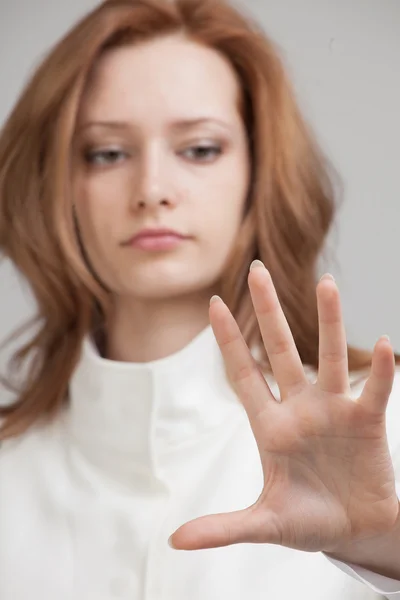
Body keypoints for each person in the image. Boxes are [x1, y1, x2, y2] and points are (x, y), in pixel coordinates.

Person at [0, 0, 400, 598]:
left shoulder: (386, 433)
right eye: (107, 153)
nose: (153, 190)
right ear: (54, 182)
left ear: (258, 173)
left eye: (200, 149)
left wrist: (381, 547)